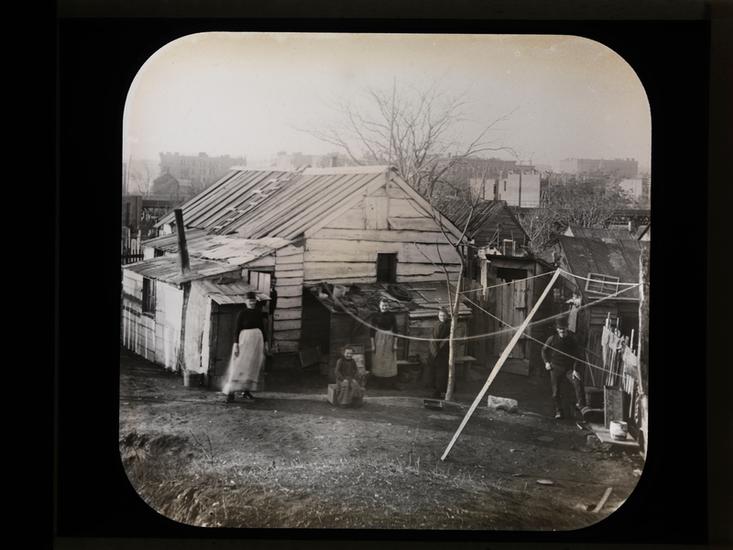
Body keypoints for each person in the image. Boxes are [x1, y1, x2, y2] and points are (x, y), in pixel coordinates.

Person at [223, 291, 269, 403]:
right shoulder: (242, 314)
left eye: (253, 301)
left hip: (257, 342)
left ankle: (246, 391)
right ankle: (231, 393)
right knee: (238, 365)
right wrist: (236, 344)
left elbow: (262, 328)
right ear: (245, 302)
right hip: (244, 341)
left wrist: (266, 342)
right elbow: (237, 330)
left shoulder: (258, 313)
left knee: (251, 366)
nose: (252, 303)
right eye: (250, 301)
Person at [541, 317, 586, 419]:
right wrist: (546, 362)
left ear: (567, 328)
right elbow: (543, 350)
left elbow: (578, 355)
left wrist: (575, 370)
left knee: (578, 383)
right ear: (557, 329)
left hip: (569, 369)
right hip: (555, 368)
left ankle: (581, 408)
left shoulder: (572, 339)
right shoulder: (552, 339)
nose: (562, 331)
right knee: (556, 391)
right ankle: (559, 411)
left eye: (564, 329)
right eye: (560, 329)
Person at [369, 297, 399, 389]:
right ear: (379, 305)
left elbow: (395, 330)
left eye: (386, 306)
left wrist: (395, 344)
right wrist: (373, 345)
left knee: (389, 360)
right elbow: (371, 332)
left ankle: (391, 383)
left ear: (388, 306)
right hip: (378, 338)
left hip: (389, 339)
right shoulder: (375, 316)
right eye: (383, 305)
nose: (384, 307)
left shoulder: (392, 316)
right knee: (379, 359)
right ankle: (380, 383)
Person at [429, 308, 451, 398]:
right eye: (440, 315)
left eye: (444, 315)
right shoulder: (436, 324)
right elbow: (433, 337)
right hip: (434, 350)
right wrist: (434, 350)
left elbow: (447, 339)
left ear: (447, 316)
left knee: (442, 373)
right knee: (434, 371)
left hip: (443, 352)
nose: (442, 317)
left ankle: (440, 391)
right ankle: (435, 390)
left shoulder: (448, 326)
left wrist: (439, 348)